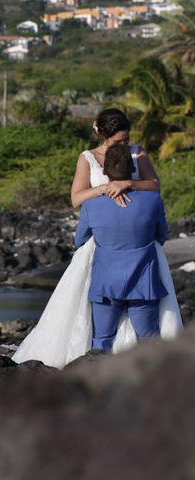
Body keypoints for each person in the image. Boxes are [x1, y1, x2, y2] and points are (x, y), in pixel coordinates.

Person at [12, 108, 183, 369]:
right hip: (104, 242)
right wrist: (103, 189)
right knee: (93, 317)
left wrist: (128, 184)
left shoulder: (137, 152)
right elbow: (77, 198)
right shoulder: (87, 159)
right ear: (101, 133)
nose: (124, 145)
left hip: (127, 240)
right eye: (118, 141)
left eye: (126, 139)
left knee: (117, 320)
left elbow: (154, 185)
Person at [75, 144, 168, 351]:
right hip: (144, 283)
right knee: (150, 341)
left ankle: (100, 382)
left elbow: (80, 240)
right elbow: (162, 236)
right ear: (133, 170)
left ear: (104, 172)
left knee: (101, 342)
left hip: (105, 284)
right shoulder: (154, 200)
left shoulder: (91, 206)